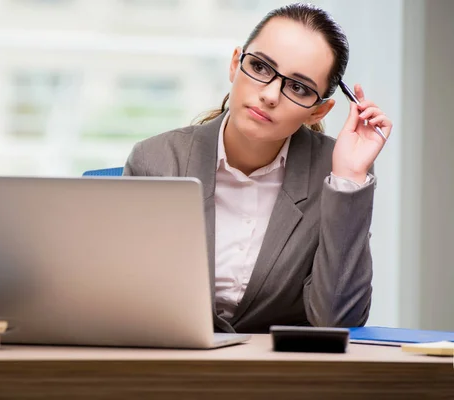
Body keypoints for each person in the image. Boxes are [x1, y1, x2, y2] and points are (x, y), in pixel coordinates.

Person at [123, 2, 392, 333]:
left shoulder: (334, 172)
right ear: (236, 64)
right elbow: (126, 300)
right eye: (262, 67)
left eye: (298, 87)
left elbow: (338, 319)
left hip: (280, 375)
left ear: (318, 111)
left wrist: (348, 180)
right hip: (173, 369)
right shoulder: (157, 160)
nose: (270, 95)